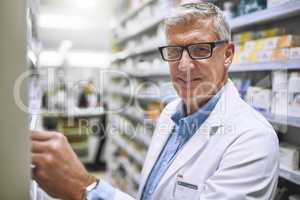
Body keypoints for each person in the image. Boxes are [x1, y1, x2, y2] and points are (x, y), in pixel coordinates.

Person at [31, 2, 279, 200]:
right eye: (174, 51)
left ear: (228, 54)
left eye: (200, 49)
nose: (183, 65)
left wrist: (87, 189)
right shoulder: (170, 113)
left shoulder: (254, 139)